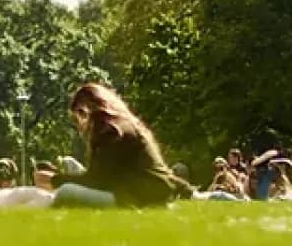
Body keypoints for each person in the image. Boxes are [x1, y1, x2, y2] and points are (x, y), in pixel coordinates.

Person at [33, 83, 193, 208]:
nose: (80, 124)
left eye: (80, 116)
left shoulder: (111, 131)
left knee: (66, 193)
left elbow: (99, 180)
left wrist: (55, 180)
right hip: (148, 191)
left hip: (138, 196)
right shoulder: (125, 125)